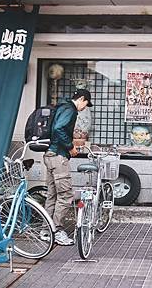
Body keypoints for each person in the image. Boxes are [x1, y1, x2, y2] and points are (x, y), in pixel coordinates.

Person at [42, 89, 92, 246]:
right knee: (65, 195)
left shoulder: (61, 107)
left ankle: (46, 231)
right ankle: (56, 230)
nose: (85, 107)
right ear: (81, 99)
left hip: (50, 154)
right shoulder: (70, 109)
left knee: (52, 195)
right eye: (86, 104)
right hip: (58, 156)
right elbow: (59, 129)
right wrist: (70, 147)